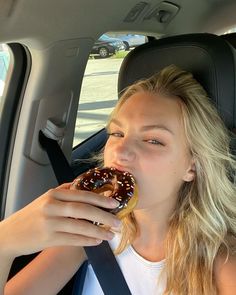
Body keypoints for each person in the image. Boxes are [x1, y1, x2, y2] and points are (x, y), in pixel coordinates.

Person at [1, 65, 236, 295]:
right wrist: (6, 241)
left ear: (192, 166)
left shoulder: (223, 262)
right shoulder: (89, 231)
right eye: (117, 133)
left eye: (153, 140)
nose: (120, 151)